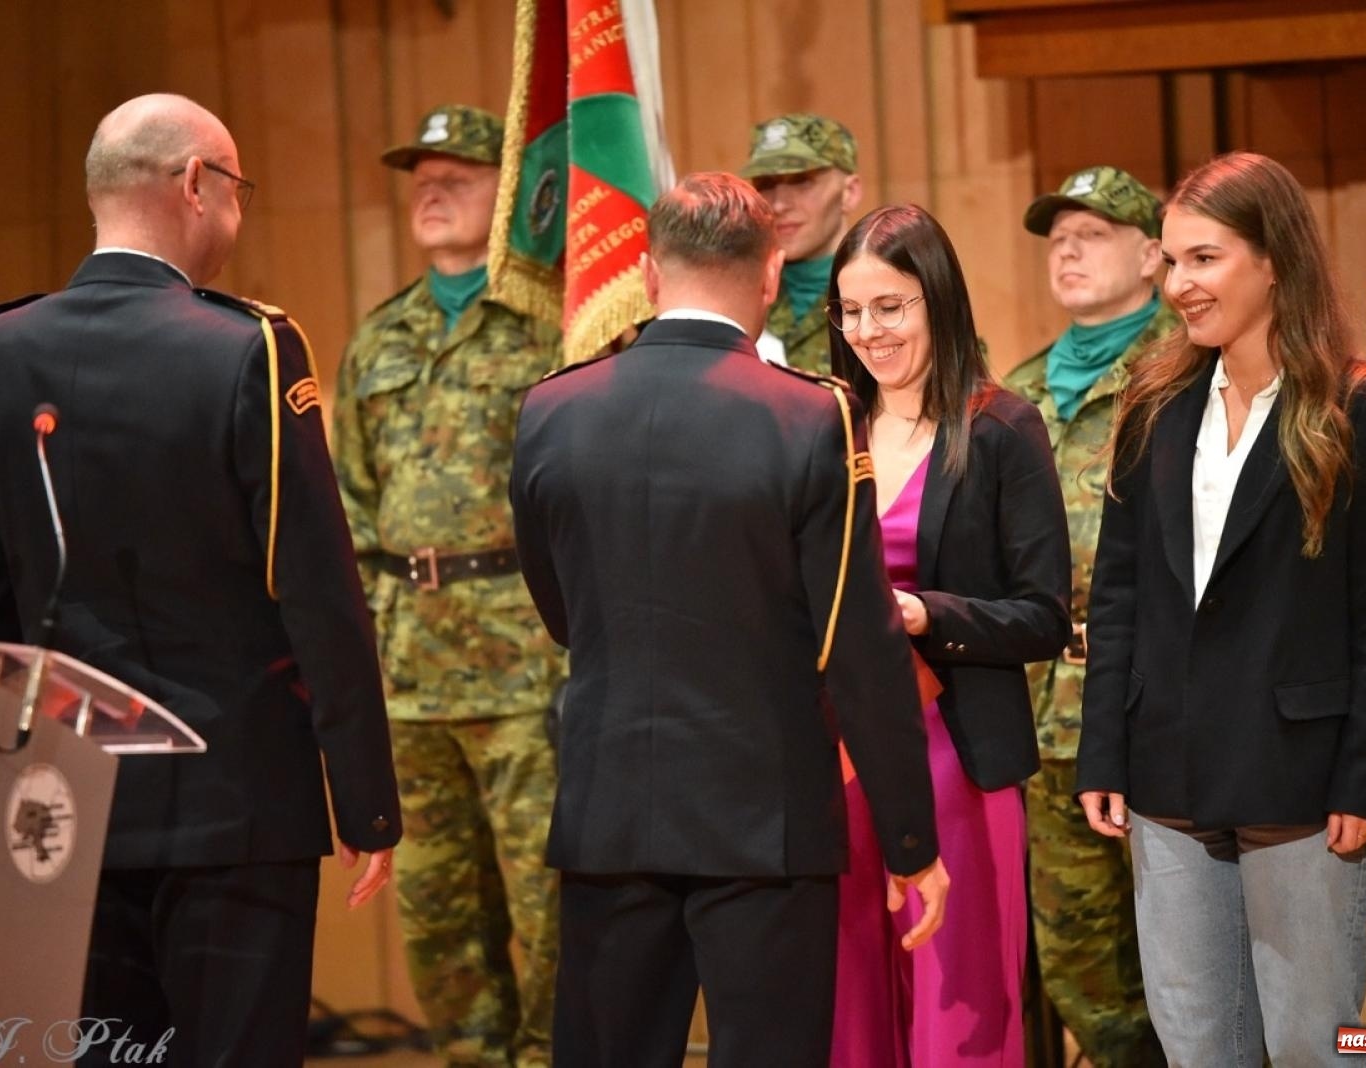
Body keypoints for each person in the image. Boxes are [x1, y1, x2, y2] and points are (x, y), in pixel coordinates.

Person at [0, 93, 401, 1066]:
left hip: (52, 804)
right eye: (238, 190)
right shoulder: (247, 350)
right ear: (198, 184)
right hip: (232, 803)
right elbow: (315, 590)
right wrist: (366, 799)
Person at [509, 172, 949, 1068]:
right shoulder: (810, 414)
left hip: (610, 810)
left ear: (648, 272)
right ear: (771, 272)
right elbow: (856, 641)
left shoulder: (551, 407)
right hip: (766, 820)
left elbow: (561, 610)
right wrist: (910, 839)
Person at [1077, 152, 1366, 1066]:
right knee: (1197, 1047)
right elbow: (1118, 597)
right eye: (1173, 260)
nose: (1180, 284)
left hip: (1303, 783)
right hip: (1165, 778)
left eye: (1205, 258)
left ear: (1274, 259)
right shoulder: (1152, 402)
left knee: (1317, 1045)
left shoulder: (1362, 407)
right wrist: (1103, 750)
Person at [332, 103, 564, 1067]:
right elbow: (348, 507)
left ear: (508, 193)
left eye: (457, 174)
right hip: (411, 672)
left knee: (553, 910)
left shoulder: (553, 325)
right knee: (437, 924)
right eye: (420, 175)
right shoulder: (378, 339)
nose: (431, 188)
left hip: (528, 663)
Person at [826, 204, 1071, 1067]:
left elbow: (1044, 616)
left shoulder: (1002, 428)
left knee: (959, 1011)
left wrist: (930, 614)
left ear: (938, 299)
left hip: (956, 759)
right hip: (838, 759)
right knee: (851, 1013)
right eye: (850, 312)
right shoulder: (826, 429)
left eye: (890, 307)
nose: (867, 331)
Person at [1003, 166, 1171, 1068]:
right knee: (1077, 958)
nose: (1067, 248)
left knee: (1189, 953)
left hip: (1157, 704)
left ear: (1153, 255)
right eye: (1058, 235)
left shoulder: (1191, 369)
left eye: (1094, 233)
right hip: (1041, 710)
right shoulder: (1017, 389)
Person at [742, 112, 863, 371]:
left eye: (802, 182)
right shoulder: (737, 295)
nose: (779, 204)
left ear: (849, 193)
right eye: (766, 185)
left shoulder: (890, 295)